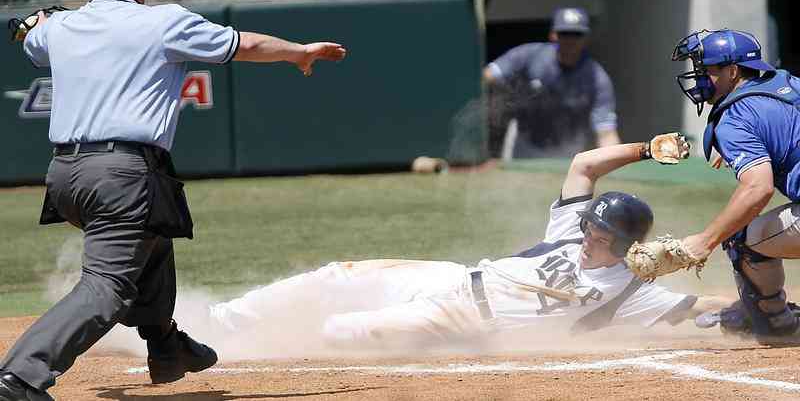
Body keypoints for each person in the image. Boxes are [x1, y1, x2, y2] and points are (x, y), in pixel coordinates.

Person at [0, 0, 346, 401]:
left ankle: (166, 346)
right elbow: (247, 44)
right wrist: (298, 51)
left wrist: (32, 26)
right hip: (121, 173)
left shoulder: (63, 26)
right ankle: (20, 376)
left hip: (65, 175)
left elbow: (29, 36)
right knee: (107, 286)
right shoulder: (163, 21)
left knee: (154, 238)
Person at [206, 135, 731, 351]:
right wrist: (648, 148)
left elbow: (704, 306)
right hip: (452, 277)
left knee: (343, 332)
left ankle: (252, 350)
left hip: (465, 321)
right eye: (591, 227)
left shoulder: (631, 291)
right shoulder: (572, 234)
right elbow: (584, 165)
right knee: (334, 278)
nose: (590, 236)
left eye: (602, 235)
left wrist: (764, 307)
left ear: (626, 244)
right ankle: (217, 324)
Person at [670, 28, 800, 346]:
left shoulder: (735, 118)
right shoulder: (791, 83)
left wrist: (705, 240)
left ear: (732, 71)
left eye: (707, 70)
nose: (699, 78)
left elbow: (758, 189)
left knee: (740, 236)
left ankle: (775, 319)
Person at [483, 7, 621, 160]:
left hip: (569, 151)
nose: (570, 40)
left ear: (586, 38)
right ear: (553, 35)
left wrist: (615, 167)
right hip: (525, 145)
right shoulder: (530, 55)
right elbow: (488, 75)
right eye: (564, 34)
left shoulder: (597, 78)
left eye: (577, 34)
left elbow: (606, 132)